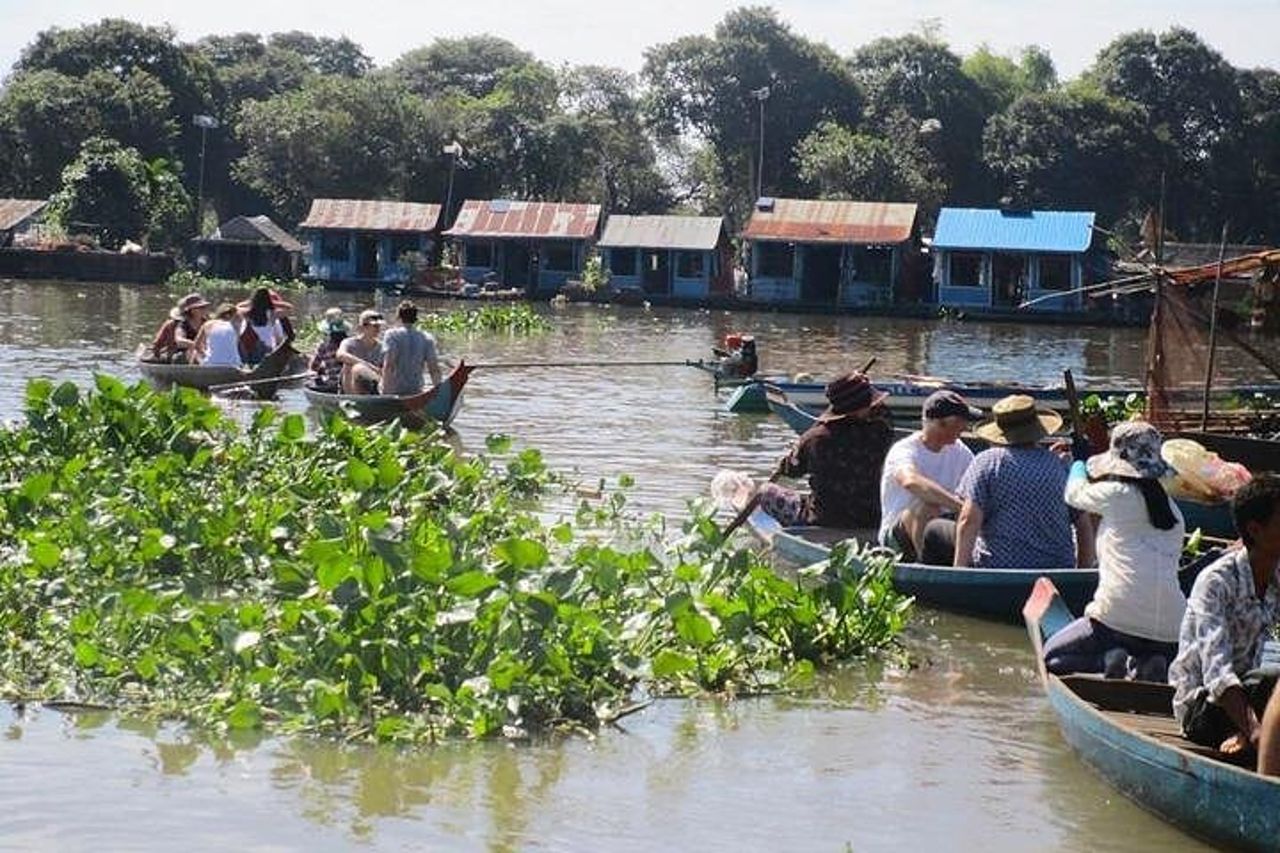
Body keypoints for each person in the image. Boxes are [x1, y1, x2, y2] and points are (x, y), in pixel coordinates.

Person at [1042, 421, 1186, 680]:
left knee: (1050, 658)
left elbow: (1074, 494)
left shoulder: (1116, 494)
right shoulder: (1173, 511)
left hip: (1116, 622)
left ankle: (1108, 658)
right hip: (1172, 629)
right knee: (1149, 649)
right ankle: (1150, 662)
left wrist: (1078, 463)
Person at [1169, 473, 1280, 757]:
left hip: (1253, 693)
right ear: (1255, 530)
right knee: (1269, 679)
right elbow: (1216, 672)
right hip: (1204, 706)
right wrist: (1256, 731)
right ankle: (1241, 731)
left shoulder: (1277, 580)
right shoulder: (1216, 582)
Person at [952, 394, 1091, 568]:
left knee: (935, 530)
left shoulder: (987, 462)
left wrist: (959, 571)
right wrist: (1080, 573)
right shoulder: (1060, 465)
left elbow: (968, 520)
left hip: (999, 569)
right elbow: (1084, 526)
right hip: (1057, 569)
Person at [757, 371, 895, 529]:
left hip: (824, 518)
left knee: (765, 491)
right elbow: (884, 412)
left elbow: (791, 470)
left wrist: (795, 450)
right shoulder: (881, 432)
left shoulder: (814, 438)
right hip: (872, 517)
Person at [878, 390, 981, 563]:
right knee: (927, 507)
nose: (965, 427)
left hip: (943, 526)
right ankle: (926, 566)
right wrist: (961, 507)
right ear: (941, 423)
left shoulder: (961, 452)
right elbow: (911, 481)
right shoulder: (904, 450)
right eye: (960, 422)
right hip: (898, 535)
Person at [379, 300, 441, 395]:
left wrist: (385, 392)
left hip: (395, 390)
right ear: (416, 319)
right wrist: (439, 392)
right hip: (416, 390)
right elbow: (434, 369)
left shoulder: (391, 335)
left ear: (398, 317)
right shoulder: (427, 337)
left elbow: (389, 365)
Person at [237, 287, 293, 365]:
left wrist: (251, 302)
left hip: (250, 349)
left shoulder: (247, 313)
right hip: (266, 350)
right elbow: (289, 307)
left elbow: (237, 306)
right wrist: (272, 302)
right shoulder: (272, 314)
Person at [148, 293, 209, 363]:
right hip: (178, 354)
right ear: (192, 310)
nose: (205, 309)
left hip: (200, 354)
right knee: (181, 356)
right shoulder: (181, 324)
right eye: (201, 307)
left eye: (205, 307)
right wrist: (194, 345)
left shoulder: (207, 323)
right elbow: (179, 340)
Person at [336, 309, 385, 394]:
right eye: (375, 326)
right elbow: (340, 355)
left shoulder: (381, 346)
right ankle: (352, 397)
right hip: (351, 385)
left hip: (372, 384)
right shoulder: (349, 342)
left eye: (379, 326)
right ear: (363, 327)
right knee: (350, 365)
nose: (378, 329)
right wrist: (367, 365)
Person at [192, 302, 244, 368]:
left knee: (195, 354)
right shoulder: (235, 325)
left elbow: (196, 345)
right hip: (233, 364)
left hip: (210, 364)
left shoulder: (207, 324)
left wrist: (205, 355)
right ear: (229, 315)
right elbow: (234, 345)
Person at [309, 307, 348, 391]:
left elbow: (314, 366)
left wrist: (321, 369)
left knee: (312, 382)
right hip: (349, 381)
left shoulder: (324, 345)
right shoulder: (350, 342)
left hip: (334, 384)